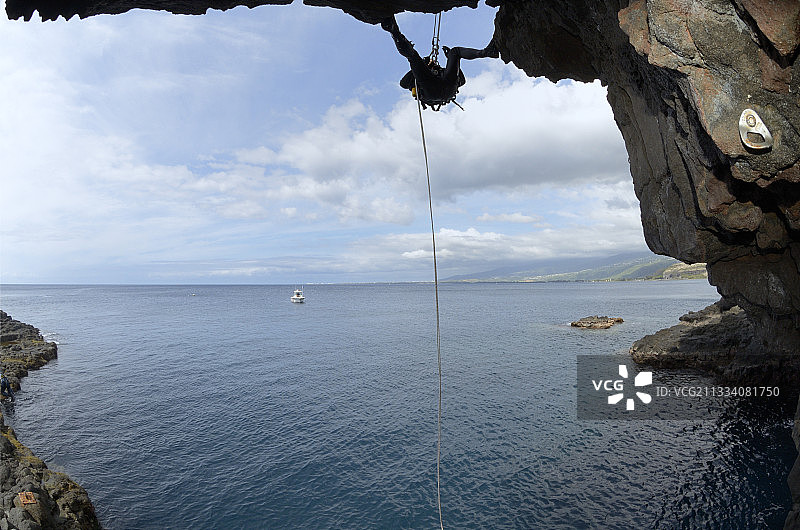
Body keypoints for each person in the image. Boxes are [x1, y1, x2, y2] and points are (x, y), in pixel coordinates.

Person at [381, 15, 498, 110]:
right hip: (441, 90)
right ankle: (485, 52)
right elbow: (460, 80)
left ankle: (394, 31)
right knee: (454, 52)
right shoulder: (441, 73)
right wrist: (446, 62)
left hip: (441, 92)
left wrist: (422, 64)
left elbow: (403, 83)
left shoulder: (432, 75)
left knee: (414, 56)